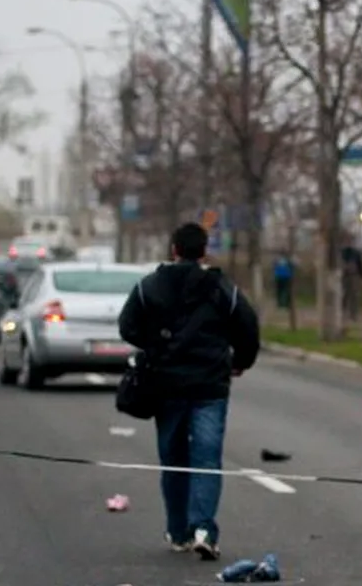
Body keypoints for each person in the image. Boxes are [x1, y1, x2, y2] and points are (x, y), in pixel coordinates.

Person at [117, 223, 261, 562]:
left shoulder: (149, 286)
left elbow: (128, 326)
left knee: (174, 460)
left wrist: (156, 346)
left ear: (174, 249)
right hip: (210, 386)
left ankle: (178, 530)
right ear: (204, 251)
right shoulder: (221, 287)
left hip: (166, 385)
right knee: (207, 459)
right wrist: (239, 361)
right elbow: (247, 326)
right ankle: (205, 530)